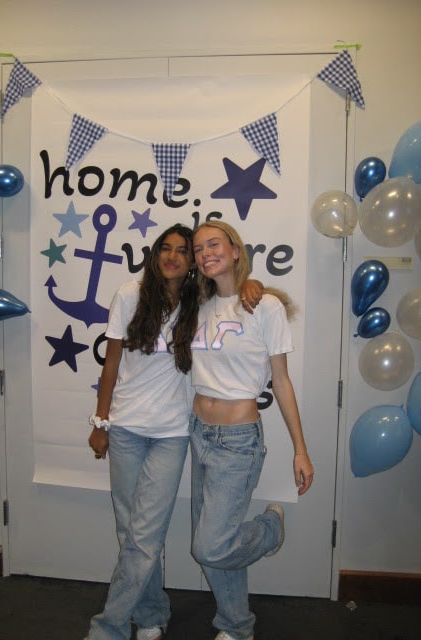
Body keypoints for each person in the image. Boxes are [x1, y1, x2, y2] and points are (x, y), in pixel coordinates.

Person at [85, 223, 263, 640]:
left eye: (184, 251)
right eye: (166, 248)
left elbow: (232, 291)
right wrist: (101, 422)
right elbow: (110, 365)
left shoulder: (198, 301)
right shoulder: (130, 295)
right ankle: (149, 615)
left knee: (144, 537)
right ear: (155, 254)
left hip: (172, 434)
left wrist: (250, 281)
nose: (174, 256)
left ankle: (108, 627)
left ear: (192, 263)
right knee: (129, 531)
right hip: (126, 428)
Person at [189, 220, 314, 640]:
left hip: (237, 441)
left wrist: (300, 448)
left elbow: (281, 380)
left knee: (210, 545)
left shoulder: (266, 306)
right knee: (212, 547)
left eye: (214, 244)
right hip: (198, 433)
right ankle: (236, 626)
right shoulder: (200, 305)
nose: (206, 252)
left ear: (236, 249)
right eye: (198, 248)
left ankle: (270, 529)